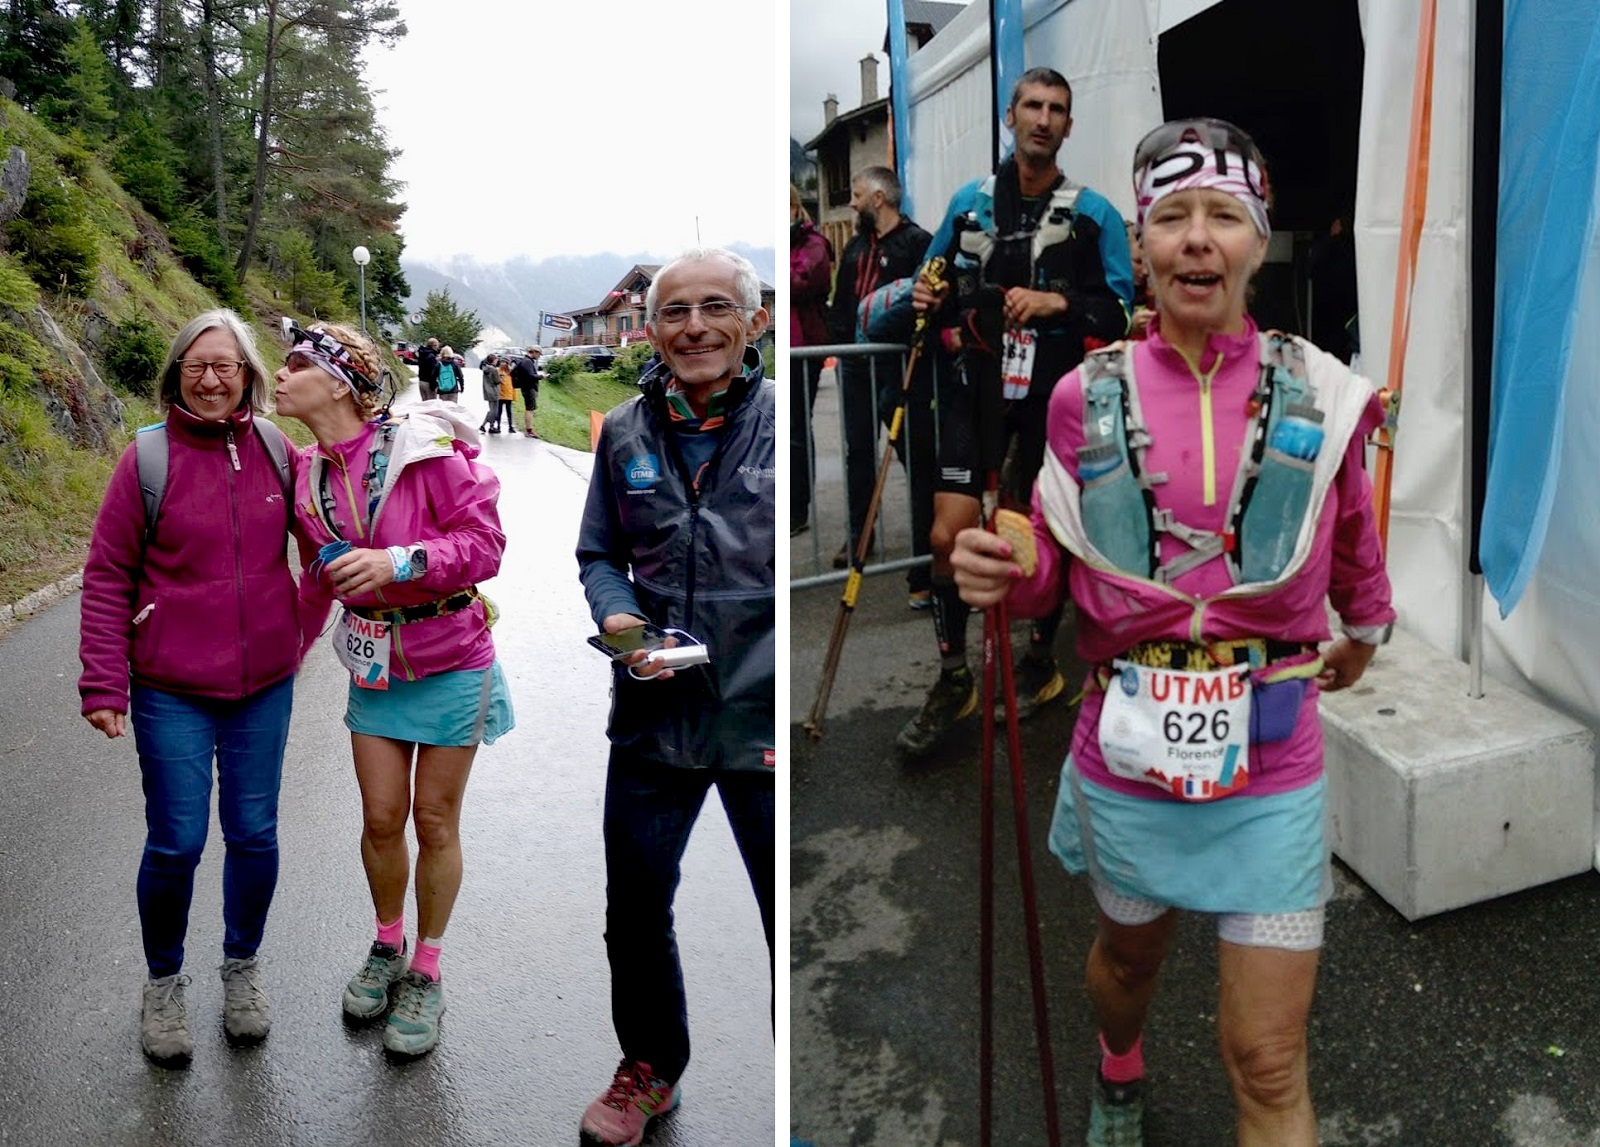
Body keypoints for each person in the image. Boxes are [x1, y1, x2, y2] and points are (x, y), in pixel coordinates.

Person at [950, 117, 1396, 1146]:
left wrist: (1365, 625)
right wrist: (999, 564)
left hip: (1273, 758)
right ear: (1143, 246)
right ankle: (1118, 1066)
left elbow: (1350, 531)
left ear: (1256, 241)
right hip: (1130, 753)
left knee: (1270, 1060)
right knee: (1129, 965)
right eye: (1175, 218)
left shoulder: (1320, 392)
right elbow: (1047, 565)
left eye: (1225, 217)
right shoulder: (1080, 396)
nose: (1199, 238)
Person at [78, 308, 314, 1066]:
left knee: (253, 834)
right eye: (196, 366)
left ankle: (241, 968)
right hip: (169, 687)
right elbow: (109, 573)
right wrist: (102, 679)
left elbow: (329, 548)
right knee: (176, 841)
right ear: (176, 373)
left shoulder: (279, 451)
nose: (211, 379)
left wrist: (300, 631)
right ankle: (164, 980)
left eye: (226, 366)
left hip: (262, 688)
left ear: (248, 375)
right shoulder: (146, 459)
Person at [575, 248, 773, 1147]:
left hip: (763, 716)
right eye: (676, 312)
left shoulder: (783, 421)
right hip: (655, 710)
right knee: (635, 902)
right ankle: (651, 1065)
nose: (695, 326)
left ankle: (793, 1092)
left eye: (716, 308)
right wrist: (620, 623)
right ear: (651, 330)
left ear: (754, 322)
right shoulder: (622, 432)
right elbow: (597, 556)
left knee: (792, 917)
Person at [273, 320, 513, 1061]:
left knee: (434, 821)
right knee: (382, 817)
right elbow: (318, 572)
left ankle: (428, 968)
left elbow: (485, 546)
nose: (277, 377)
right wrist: (291, 644)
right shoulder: (306, 471)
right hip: (374, 665)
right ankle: (386, 943)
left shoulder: (422, 449)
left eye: (295, 365)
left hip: (452, 656)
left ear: (340, 381)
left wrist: (398, 562)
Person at [897, 67, 1134, 756]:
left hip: (1053, 400)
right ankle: (954, 677)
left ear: (1068, 125)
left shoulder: (1096, 215)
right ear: (1010, 115)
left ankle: (1038, 664)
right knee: (947, 536)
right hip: (974, 389)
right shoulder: (969, 204)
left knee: (1036, 538)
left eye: (1056, 109)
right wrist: (923, 299)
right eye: (1032, 105)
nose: (1042, 118)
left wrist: (1059, 303)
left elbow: (1121, 309)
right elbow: (932, 282)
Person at [826, 166, 935, 606]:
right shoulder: (854, 246)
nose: (850, 203)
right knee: (858, 454)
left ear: (877, 199)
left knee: (913, 457)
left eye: (855, 195)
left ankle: (924, 556)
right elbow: (843, 303)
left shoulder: (918, 244)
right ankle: (860, 538)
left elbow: (923, 304)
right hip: (855, 369)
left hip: (897, 368)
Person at [789, 183, 833, 537]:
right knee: (787, 430)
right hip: (788, 348)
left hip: (804, 350)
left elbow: (803, 280)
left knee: (797, 430)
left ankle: (797, 509)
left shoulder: (814, 244)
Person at [511, 345, 542, 437]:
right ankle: (529, 430)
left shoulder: (524, 361)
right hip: (529, 388)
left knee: (530, 408)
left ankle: (529, 429)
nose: (539, 356)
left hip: (526, 387)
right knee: (530, 409)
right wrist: (541, 376)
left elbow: (513, 372)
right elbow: (531, 376)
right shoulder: (528, 362)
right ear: (534, 352)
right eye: (539, 353)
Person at [478, 354, 500, 433]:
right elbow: (497, 381)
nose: (497, 361)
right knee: (494, 411)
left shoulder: (485, 368)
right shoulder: (493, 370)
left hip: (487, 391)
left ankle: (490, 426)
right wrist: (501, 378)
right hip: (494, 391)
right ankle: (485, 425)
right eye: (496, 360)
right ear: (493, 360)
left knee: (492, 409)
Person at [416, 337, 440, 402]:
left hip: (421, 382)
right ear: (434, 345)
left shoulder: (422, 354)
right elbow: (433, 373)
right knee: (431, 404)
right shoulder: (431, 357)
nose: (437, 348)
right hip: (428, 383)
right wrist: (434, 386)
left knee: (424, 403)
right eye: (437, 345)